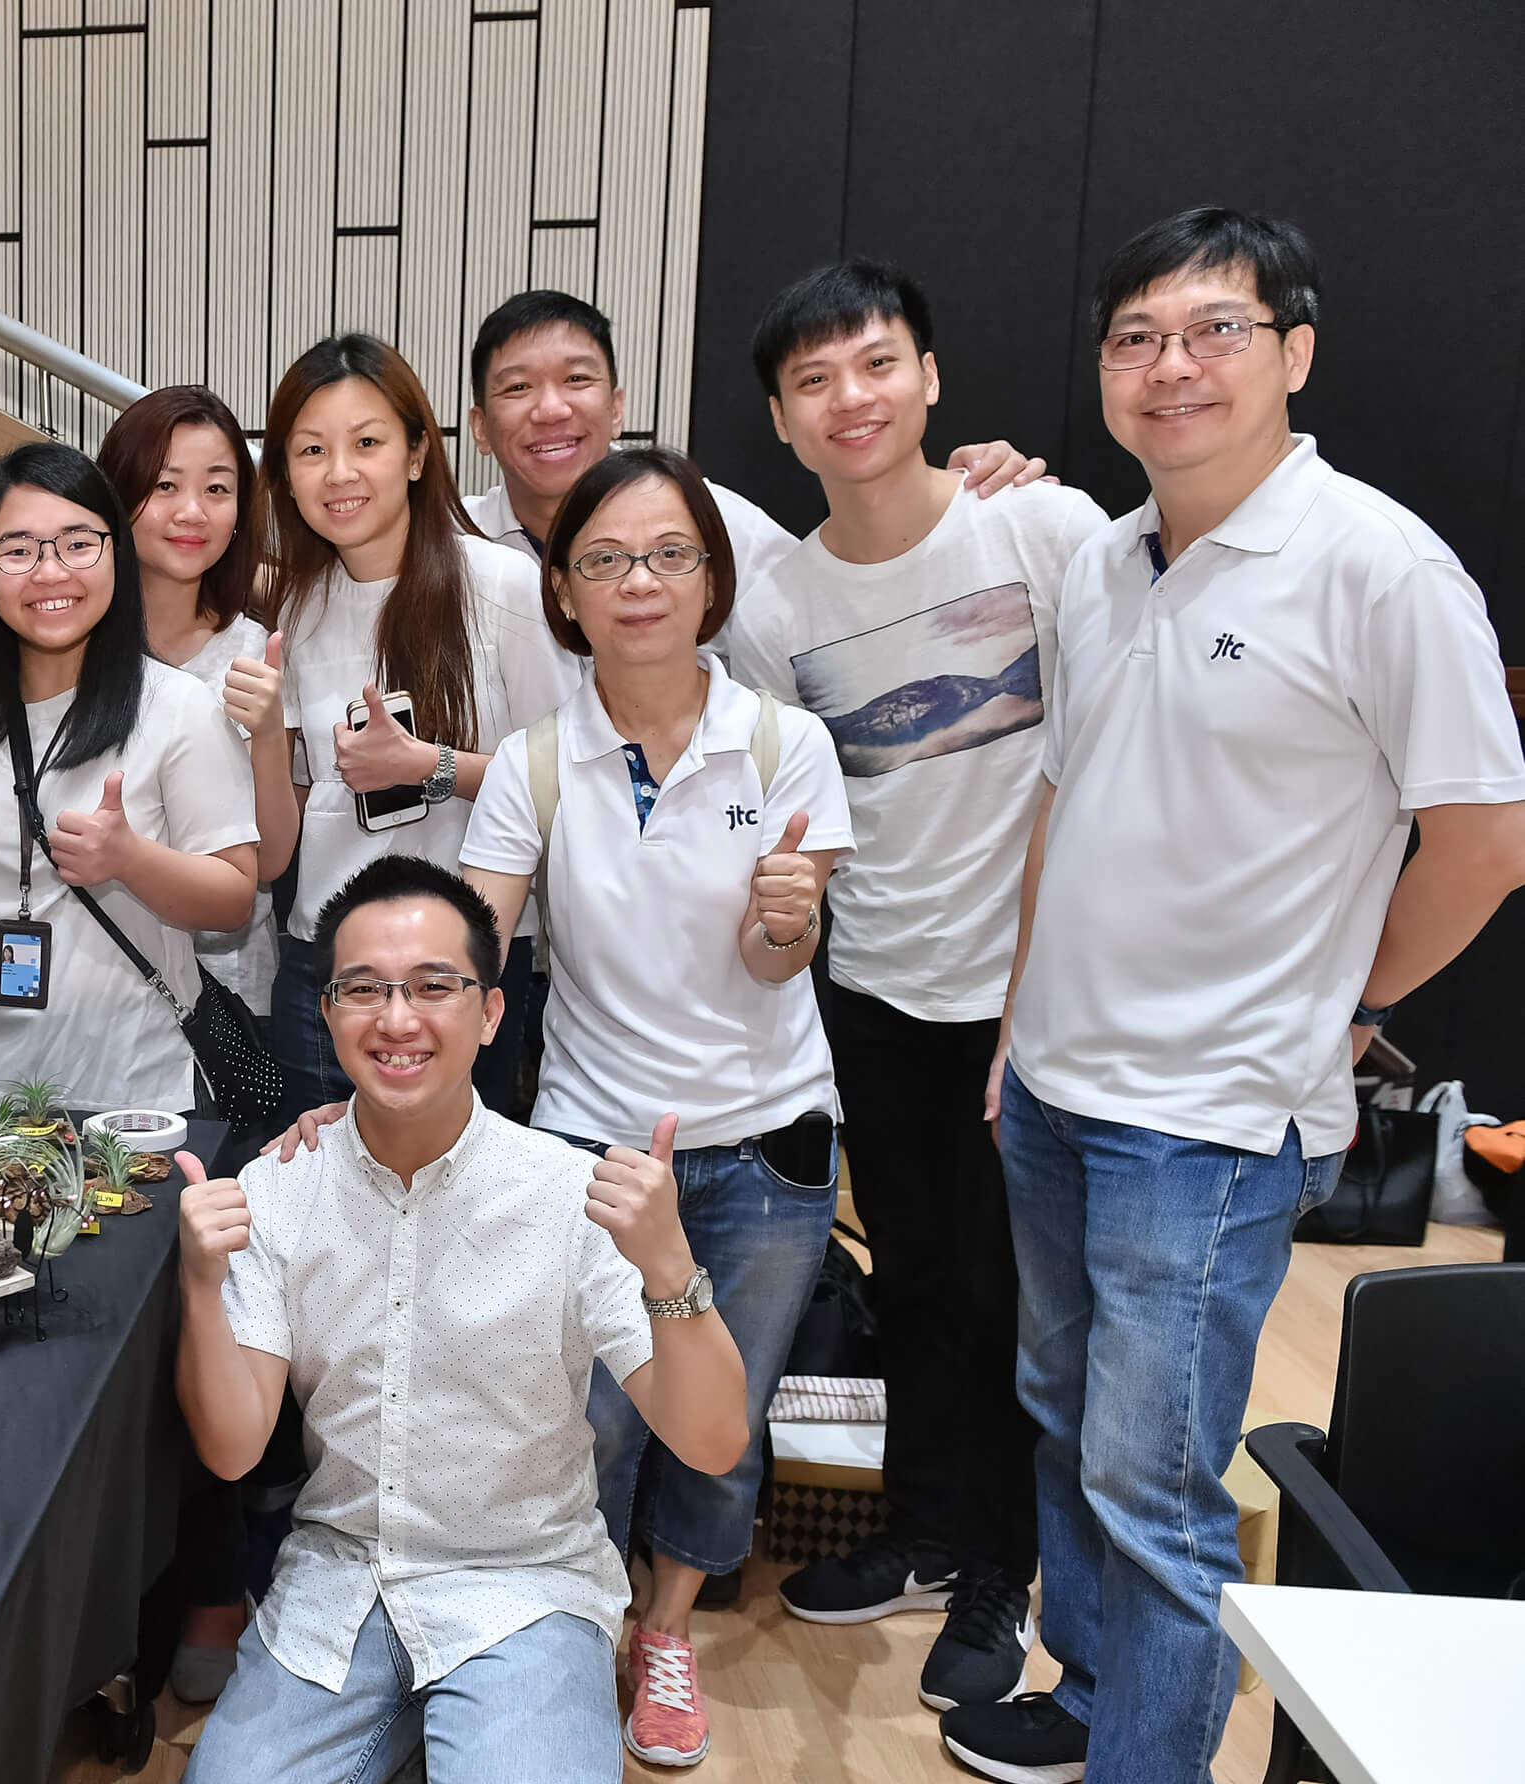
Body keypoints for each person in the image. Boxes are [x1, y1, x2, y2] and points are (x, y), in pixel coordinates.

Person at [951, 209, 1525, 1784]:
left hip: (1205, 1120)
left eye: (1216, 330)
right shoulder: (1104, 560)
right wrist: (1016, 1026)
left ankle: (1152, 1762)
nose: (1171, 367)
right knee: (1067, 1422)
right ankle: (1090, 1700)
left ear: (1297, 353)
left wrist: (1346, 1009)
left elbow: (1483, 843)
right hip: (1060, 1086)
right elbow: (1062, 803)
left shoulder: (1380, 566)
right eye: (1135, 338)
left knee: (1159, 1484)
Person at [722, 258, 1111, 1714]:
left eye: (876, 365)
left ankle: (1012, 1570)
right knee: (926, 1281)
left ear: (931, 378)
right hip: (877, 985)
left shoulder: (1045, 525)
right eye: (815, 380)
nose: (851, 399)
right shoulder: (778, 600)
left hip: (1041, 993)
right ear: (780, 416)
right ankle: (933, 1530)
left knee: (1028, 1300)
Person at [177, 856, 747, 1784]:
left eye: (434, 986)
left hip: (526, 1586)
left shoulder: (569, 1196)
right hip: (342, 1578)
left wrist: (670, 1265)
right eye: (364, 988)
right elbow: (236, 1451)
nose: (397, 1018)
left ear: (490, 1013)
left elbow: (714, 1442)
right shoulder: (280, 1190)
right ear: (327, 1013)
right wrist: (204, 1286)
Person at [453, 447, 854, 1766]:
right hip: (596, 1144)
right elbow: (477, 953)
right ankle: (577, 1623)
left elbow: (774, 959)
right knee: (588, 1411)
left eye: (671, 556)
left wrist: (789, 922)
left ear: (713, 581)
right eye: (607, 560)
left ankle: (670, 1627)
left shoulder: (787, 744)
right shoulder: (533, 763)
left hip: (771, 1141)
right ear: (564, 591)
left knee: (717, 1415)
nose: (640, 583)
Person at [0, 384, 295, 1023]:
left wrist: (270, 735)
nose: (191, 511)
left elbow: (265, 865)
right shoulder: (46, 631)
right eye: (164, 485)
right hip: (43, 1006)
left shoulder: (255, 655)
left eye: (218, 489)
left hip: (200, 1003)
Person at [263, 333, 577, 1123]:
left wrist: (431, 766)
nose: (340, 473)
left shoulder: (502, 586)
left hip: (467, 965)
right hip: (323, 962)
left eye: (366, 442)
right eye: (310, 450)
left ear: (414, 453)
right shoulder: (293, 611)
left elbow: (568, 774)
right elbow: (294, 809)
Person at [463, 288, 1048, 589]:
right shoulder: (445, 539)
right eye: (517, 389)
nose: (551, 408)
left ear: (617, 409)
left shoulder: (706, 517)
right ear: (481, 428)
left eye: (577, 379)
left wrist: (958, 491)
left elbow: (835, 600)